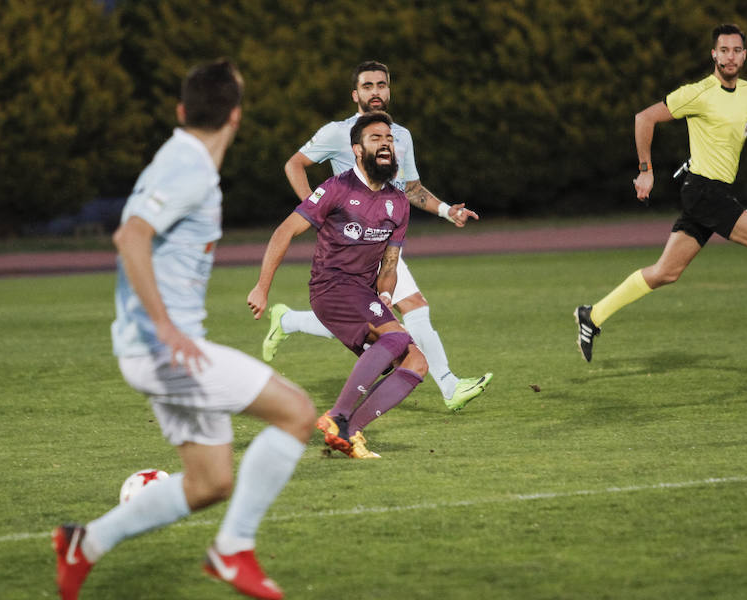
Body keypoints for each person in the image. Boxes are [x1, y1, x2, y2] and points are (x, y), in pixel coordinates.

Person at [51, 59, 315, 600]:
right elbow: (131, 237)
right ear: (236, 117)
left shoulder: (184, 161)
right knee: (298, 414)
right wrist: (166, 328)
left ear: (181, 110)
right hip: (166, 352)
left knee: (210, 482)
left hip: (156, 351)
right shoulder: (188, 166)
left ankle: (86, 544)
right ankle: (232, 549)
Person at [264, 60, 492, 412]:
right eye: (367, 86)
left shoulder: (400, 135)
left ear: (389, 90)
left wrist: (448, 210)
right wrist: (316, 208)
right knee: (410, 308)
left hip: (384, 240)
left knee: (371, 318)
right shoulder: (337, 133)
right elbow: (293, 164)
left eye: (381, 85)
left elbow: (411, 188)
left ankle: (288, 320)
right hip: (351, 246)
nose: (375, 92)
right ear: (356, 94)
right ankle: (448, 386)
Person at [575, 24, 747, 364]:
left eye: (737, 50)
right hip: (703, 190)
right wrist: (645, 171)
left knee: (665, 273)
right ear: (714, 54)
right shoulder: (698, 92)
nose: (730, 56)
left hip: (713, 193)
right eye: (724, 50)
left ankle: (592, 316)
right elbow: (644, 118)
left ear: (744, 55)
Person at [248, 111, 428, 459]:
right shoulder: (336, 188)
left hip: (363, 293)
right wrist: (262, 287)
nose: (386, 144)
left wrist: (387, 294)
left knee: (415, 363)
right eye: (376, 138)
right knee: (395, 337)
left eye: (389, 139)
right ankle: (338, 416)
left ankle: (347, 432)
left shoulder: (399, 202)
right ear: (357, 150)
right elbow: (284, 231)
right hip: (331, 288)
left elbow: (389, 263)